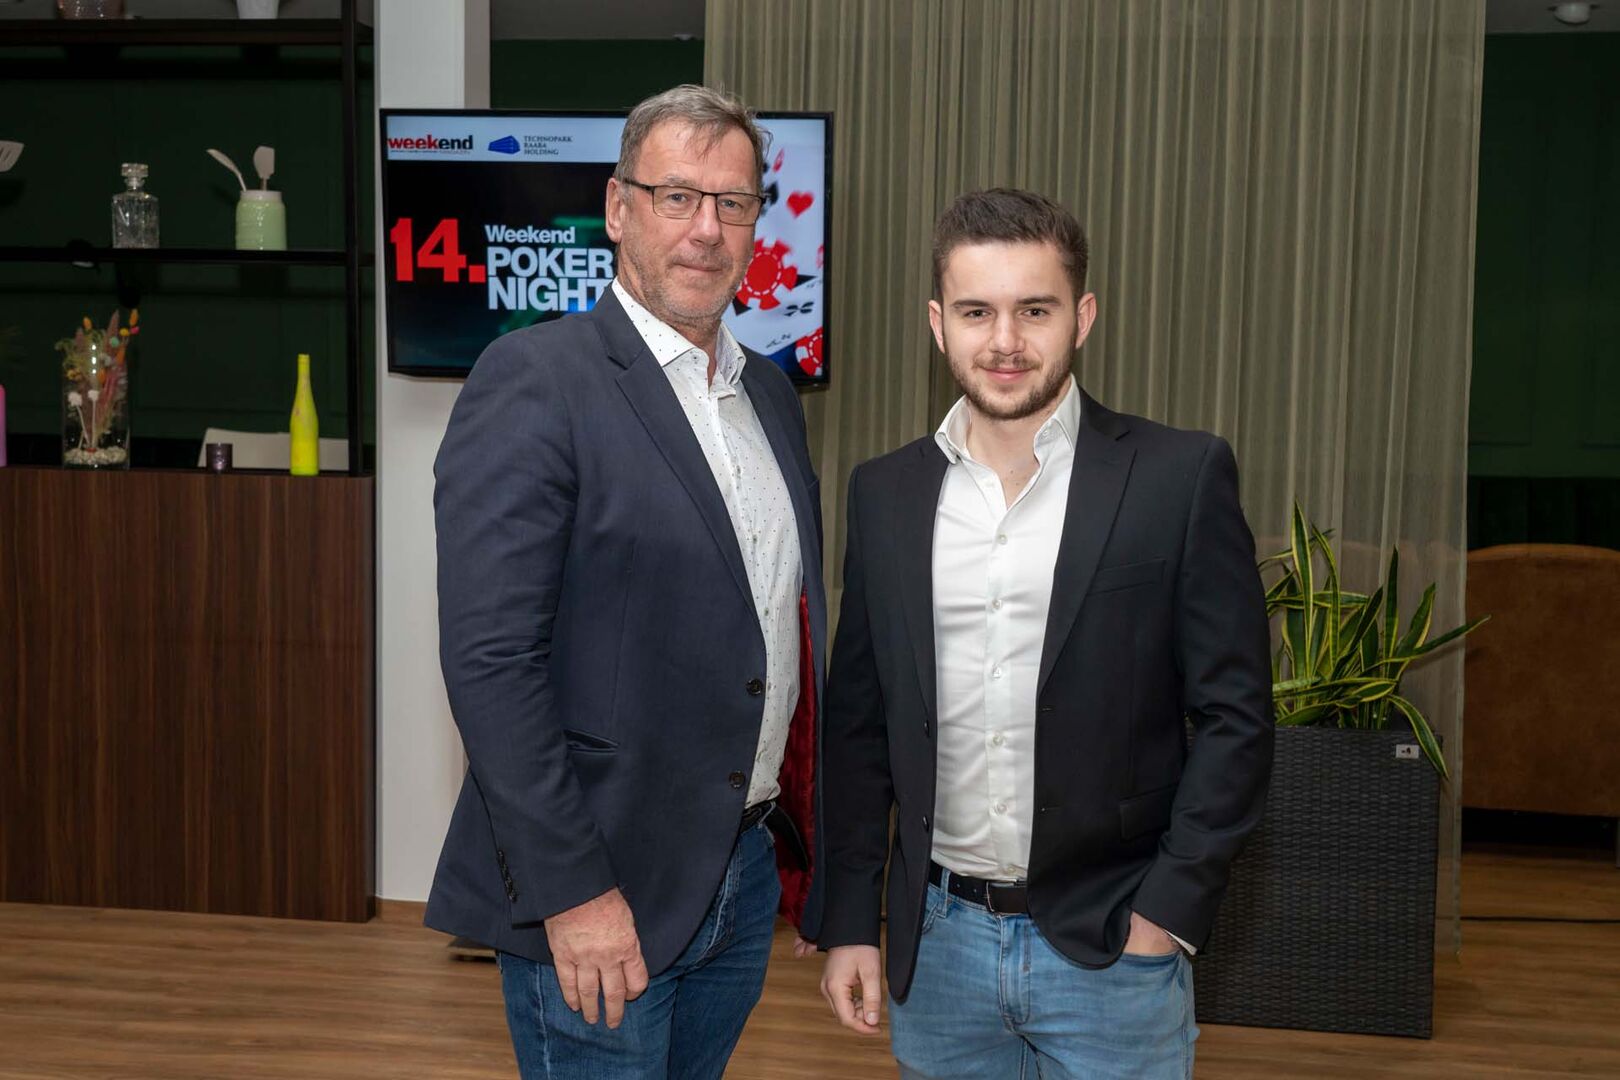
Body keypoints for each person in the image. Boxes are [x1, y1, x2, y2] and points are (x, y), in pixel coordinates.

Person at [817, 188, 1272, 1079]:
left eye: (1035, 310)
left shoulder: (1178, 476)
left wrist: (1166, 914)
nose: (1005, 341)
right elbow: (860, 729)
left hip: (1113, 947)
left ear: (1083, 317)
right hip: (936, 948)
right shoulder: (884, 493)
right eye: (976, 312)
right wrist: (850, 924)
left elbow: (1237, 717)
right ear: (938, 324)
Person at [428, 84, 825, 1080]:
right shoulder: (535, 380)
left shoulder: (770, 396)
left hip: (739, 874)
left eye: (733, 203)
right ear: (618, 208)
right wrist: (573, 893)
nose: (707, 229)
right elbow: (491, 663)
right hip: (603, 884)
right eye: (676, 196)